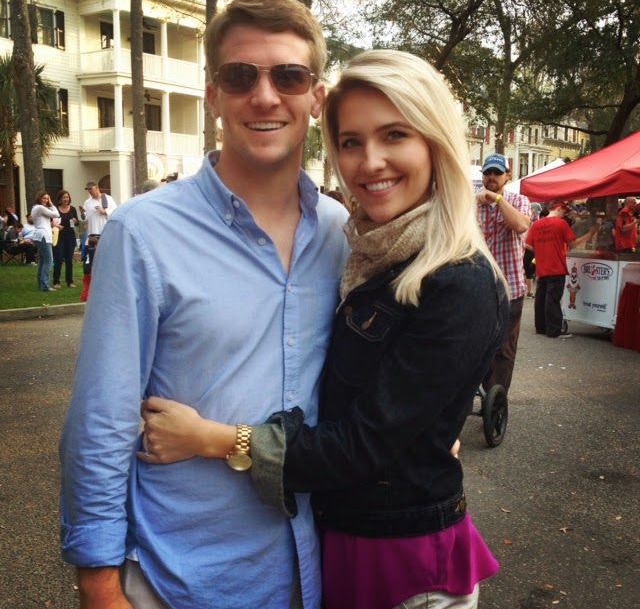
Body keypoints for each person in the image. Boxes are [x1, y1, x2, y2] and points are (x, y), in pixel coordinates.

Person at [138, 50, 509, 609]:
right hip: (341, 538)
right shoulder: (370, 252)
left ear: (435, 142)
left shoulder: (458, 280)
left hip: (405, 561)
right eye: (351, 142)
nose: (370, 162)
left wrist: (211, 438)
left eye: (395, 135)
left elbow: (359, 445)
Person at [59, 0, 348, 609]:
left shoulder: (342, 234)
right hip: (178, 577)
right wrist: (99, 582)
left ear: (316, 97)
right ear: (214, 95)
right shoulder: (143, 233)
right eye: (240, 76)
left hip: (309, 573)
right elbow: (103, 419)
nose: (265, 96)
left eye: (289, 76)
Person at [476, 153, 530, 395]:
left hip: (511, 288)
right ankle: (475, 392)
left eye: (497, 173)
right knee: (475, 342)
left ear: (508, 176)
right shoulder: (471, 203)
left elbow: (520, 225)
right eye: (488, 172)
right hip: (477, 287)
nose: (492, 177)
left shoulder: (519, 200)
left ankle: (496, 399)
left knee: (504, 348)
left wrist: (497, 199)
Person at [525, 199, 598, 338]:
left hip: (542, 266)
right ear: (558, 208)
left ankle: (541, 327)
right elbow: (573, 244)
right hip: (556, 267)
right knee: (553, 299)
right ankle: (554, 330)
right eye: (564, 211)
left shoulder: (536, 224)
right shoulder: (561, 223)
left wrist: (540, 251)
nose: (564, 214)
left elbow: (527, 244)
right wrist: (590, 234)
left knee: (541, 298)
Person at [30, 192, 60, 292]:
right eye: (44, 198)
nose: (46, 200)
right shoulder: (40, 208)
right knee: (49, 261)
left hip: (40, 236)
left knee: (43, 261)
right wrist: (51, 204)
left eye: (47, 199)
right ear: (39, 198)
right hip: (43, 236)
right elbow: (56, 214)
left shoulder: (36, 208)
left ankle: (41, 284)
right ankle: (45, 286)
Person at [52, 190, 79, 289]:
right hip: (59, 236)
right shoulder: (55, 209)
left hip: (70, 236)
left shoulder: (73, 209)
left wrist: (75, 221)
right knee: (59, 259)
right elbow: (51, 222)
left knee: (69, 259)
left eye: (67, 197)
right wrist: (57, 225)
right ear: (60, 199)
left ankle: (69, 281)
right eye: (63, 197)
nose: (65, 199)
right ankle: (56, 281)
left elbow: (77, 224)